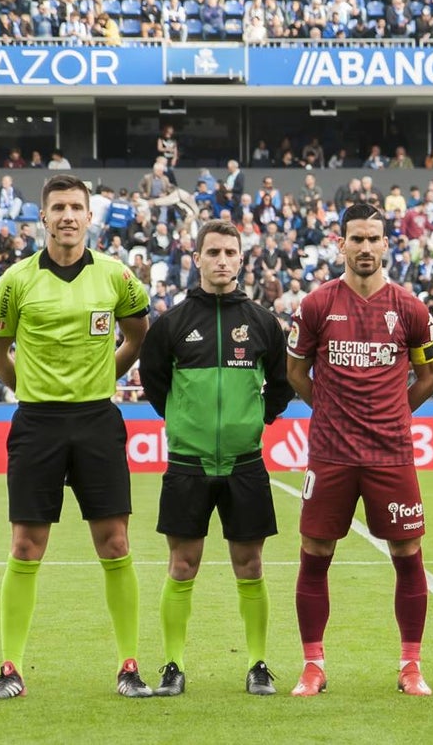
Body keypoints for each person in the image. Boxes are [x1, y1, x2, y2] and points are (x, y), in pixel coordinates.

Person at [0, 174, 153, 700]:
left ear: (89, 216)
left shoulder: (118, 278)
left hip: (98, 419)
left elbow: (137, 334)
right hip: (37, 423)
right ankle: (11, 669)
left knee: (115, 543)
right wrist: (31, 390)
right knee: (26, 545)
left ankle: (129, 667)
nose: (68, 216)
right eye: (58, 207)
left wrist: (108, 373)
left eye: (76, 207)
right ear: (44, 217)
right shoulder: (15, 281)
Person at [286, 202, 433, 697]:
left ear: (386, 244)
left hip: (391, 454)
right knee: (315, 553)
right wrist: (330, 409)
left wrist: (394, 413)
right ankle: (313, 666)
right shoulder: (315, 306)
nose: (366, 247)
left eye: (374, 239)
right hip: (330, 453)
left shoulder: (411, 308)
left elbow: (430, 374)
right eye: (357, 239)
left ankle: (411, 665)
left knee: (408, 555)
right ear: (341, 244)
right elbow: (296, 373)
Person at [139, 220, 293, 697]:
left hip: (246, 462)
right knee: (183, 564)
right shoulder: (172, 323)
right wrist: (185, 421)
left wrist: (256, 420)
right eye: (214, 252)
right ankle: (172, 665)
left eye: (231, 252)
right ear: (196, 257)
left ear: (241, 260)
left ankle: (258, 665)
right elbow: (154, 382)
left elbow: (283, 383)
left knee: (250, 565)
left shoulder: (264, 322)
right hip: (188, 461)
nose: (222, 260)